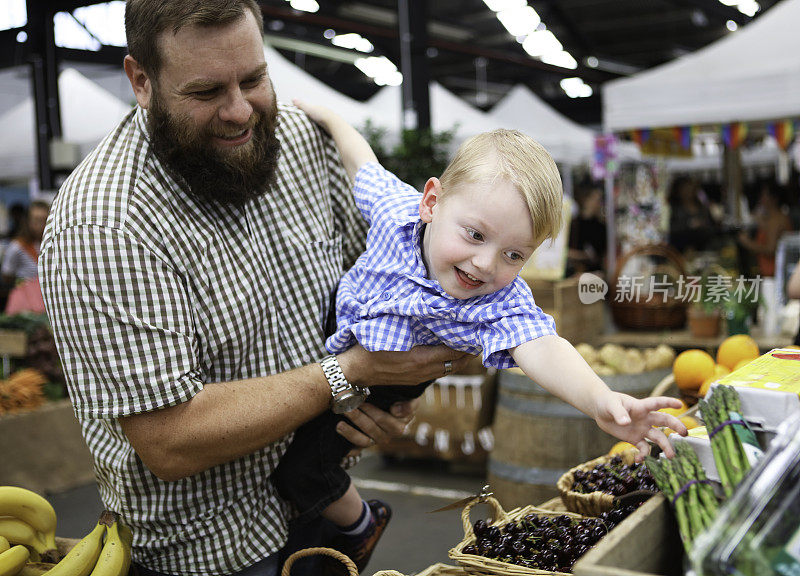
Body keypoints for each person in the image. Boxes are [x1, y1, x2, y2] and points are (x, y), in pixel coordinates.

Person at [38, 3, 472, 576]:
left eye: (254, 78)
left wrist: (394, 393)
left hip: (318, 502)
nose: (240, 111)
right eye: (206, 91)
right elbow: (171, 439)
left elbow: (378, 274)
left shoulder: (300, 143)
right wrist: (353, 372)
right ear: (141, 81)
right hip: (209, 552)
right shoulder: (106, 226)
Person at [277, 100, 688, 551]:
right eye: (474, 234)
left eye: (514, 254)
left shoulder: (493, 301)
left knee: (299, 469)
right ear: (431, 202)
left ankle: (359, 527)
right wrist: (333, 120)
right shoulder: (398, 212)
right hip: (341, 338)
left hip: (385, 386)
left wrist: (600, 399)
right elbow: (363, 165)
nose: (485, 264)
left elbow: (541, 344)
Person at [738, 181, 793, 278]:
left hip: (774, 275)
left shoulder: (776, 220)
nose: (761, 198)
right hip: (770, 273)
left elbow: (770, 249)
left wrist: (747, 243)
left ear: (774, 198)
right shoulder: (773, 218)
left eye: (764, 195)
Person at [1, 200, 49, 286]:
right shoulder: (17, 246)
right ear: (28, 221)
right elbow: (6, 275)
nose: (40, 224)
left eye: (44, 220)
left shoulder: (52, 244)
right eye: (36, 220)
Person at [667, 175, 714, 255]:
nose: (688, 191)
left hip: (703, 251)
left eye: (690, 187)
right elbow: (670, 229)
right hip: (681, 251)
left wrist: (703, 225)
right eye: (684, 188)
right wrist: (688, 225)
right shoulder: (673, 208)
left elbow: (711, 226)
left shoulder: (702, 207)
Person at [567, 182, 606, 275]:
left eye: (600, 200)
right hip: (575, 273)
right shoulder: (573, 223)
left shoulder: (601, 227)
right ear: (586, 199)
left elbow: (597, 256)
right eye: (596, 199)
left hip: (593, 273)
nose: (599, 204)